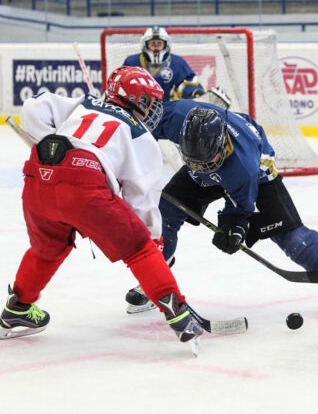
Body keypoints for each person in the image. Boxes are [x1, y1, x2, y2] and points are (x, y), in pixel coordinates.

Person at [0, 66, 202, 347]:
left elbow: (35, 106)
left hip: (38, 173)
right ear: (139, 101)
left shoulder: (83, 102)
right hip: (84, 187)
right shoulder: (141, 134)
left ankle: (17, 308)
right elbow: (141, 200)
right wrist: (153, 243)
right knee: (139, 248)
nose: (155, 108)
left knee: (47, 249)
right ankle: (178, 313)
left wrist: (51, 141)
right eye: (151, 101)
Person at [126, 99, 318, 316]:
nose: (204, 167)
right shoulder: (178, 117)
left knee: (289, 235)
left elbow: (239, 210)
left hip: (258, 174)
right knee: (165, 211)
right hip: (207, 164)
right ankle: (157, 277)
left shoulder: (243, 169)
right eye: (194, 160)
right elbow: (135, 127)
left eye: (208, 161)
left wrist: (232, 228)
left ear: (221, 146)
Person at [123, 26, 205, 102]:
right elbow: (122, 87)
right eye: (152, 44)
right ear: (145, 45)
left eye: (159, 44)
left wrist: (194, 92)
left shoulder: (177, 63)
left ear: (166, 45)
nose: (156, 47)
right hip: (137, 110)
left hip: (167, 110)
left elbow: (189, 83)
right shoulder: (131, 63)